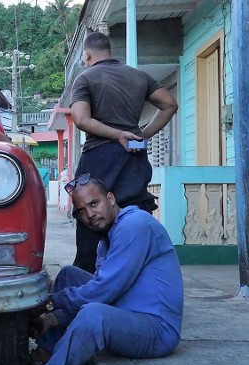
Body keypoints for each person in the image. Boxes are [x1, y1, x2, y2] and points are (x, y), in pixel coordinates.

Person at [3, 174, 183, 365]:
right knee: (69, 275)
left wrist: (49, 304)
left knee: (93, 314)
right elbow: (98, 291)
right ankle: (47, 351)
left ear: (110, 198)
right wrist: (52, 319)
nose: (89, 215)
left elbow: (103, 292)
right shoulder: (106, 240)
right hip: (126, 313)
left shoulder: (135, 225)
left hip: (156, 329)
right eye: (81, 210)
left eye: (94, 204)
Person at [68, 31, 179, 273]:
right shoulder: (139, 76)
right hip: (133, 159)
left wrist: (117, 135)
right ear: (110, 52)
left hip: (98, 161)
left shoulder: (86, 78)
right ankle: (134, 281)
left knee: (90, 219)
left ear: (87, 55)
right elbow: (170, 104)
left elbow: (81, 118)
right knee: (133, 221)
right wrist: (141, 134)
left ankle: (88, 283)